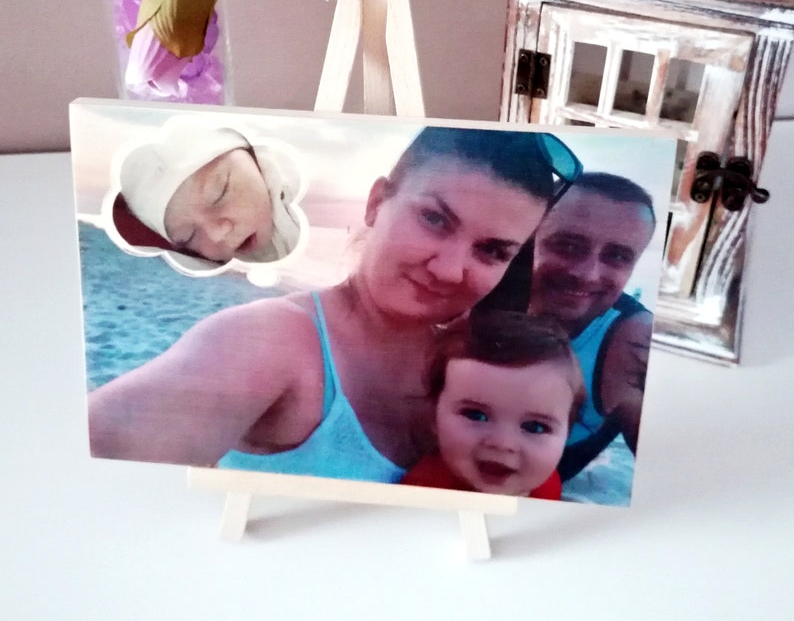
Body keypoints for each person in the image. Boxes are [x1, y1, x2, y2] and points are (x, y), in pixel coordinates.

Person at [88, 126, 583, 483]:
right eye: (434, 219)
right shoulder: (271, 341)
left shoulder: (473, 366)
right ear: (375, 203)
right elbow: (96, 452)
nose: (452, 269)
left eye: (492, 251)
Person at [479, 172, 657, 481]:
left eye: (617, 256)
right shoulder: (473, 291)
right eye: (568, 246)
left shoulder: (632, 340)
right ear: (529, 238)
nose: (587, 274)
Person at [401, 311, 585, 499]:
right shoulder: (422, 494)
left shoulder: (547, 483)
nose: (503, 443)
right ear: (434, 416)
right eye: (476, 415)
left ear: (566, 435)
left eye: (535, 427)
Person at [112, 118, 301, 266]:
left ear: (250, 154)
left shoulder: (292, 182)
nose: (217, 233)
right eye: (188, 236)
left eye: (220, 193)